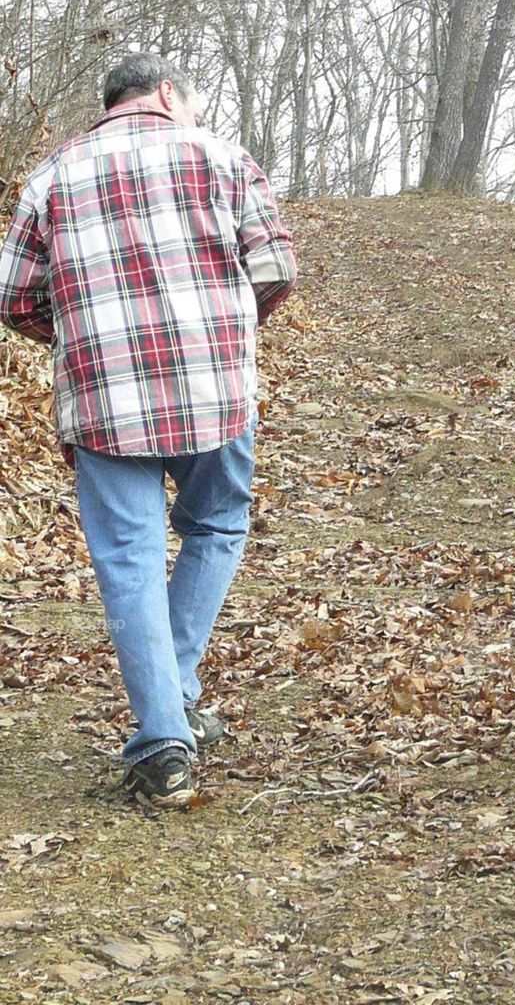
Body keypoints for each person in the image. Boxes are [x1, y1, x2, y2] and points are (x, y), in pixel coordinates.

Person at [0, 53, 297, 808]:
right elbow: (275, 266)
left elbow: (13, 298)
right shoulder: (223, 157)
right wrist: (222, 330)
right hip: (214, 391)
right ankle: (174, 704)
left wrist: (82, 337)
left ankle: (165, 734)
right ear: (168, 94)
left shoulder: (51, 176)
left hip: (104, 399)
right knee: (217, 527)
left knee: (128, 559)